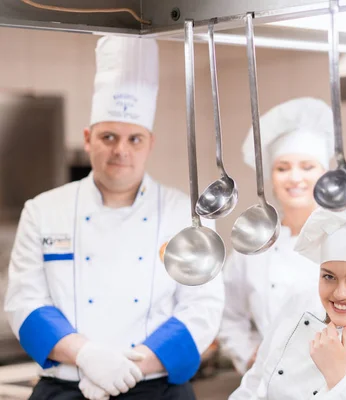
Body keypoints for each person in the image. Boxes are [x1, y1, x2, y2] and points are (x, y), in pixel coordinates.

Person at [3, 35, 224, 400]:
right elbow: (25, 302)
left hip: (157, 389)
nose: (121, 150)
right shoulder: (43, 210)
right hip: (65, 390)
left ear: (149, 143)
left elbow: (203, 307)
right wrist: (88, 357)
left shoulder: (187, 214)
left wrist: (129, 368)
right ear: (88, 139)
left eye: (134, 139)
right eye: (108, 136)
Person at [218, 98, 346, 374]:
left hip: (339, 380)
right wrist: (251, 356)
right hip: (271, 383)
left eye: (307, 166)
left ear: (325, 174)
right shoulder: (253, 241)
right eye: (282, 167)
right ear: (271, 176)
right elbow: (228, 314)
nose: (294, 177)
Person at [229, 190, 346, 399]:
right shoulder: (298, 305)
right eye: (329, 277)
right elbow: (253, 385)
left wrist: (336, 376)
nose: (340, 293)